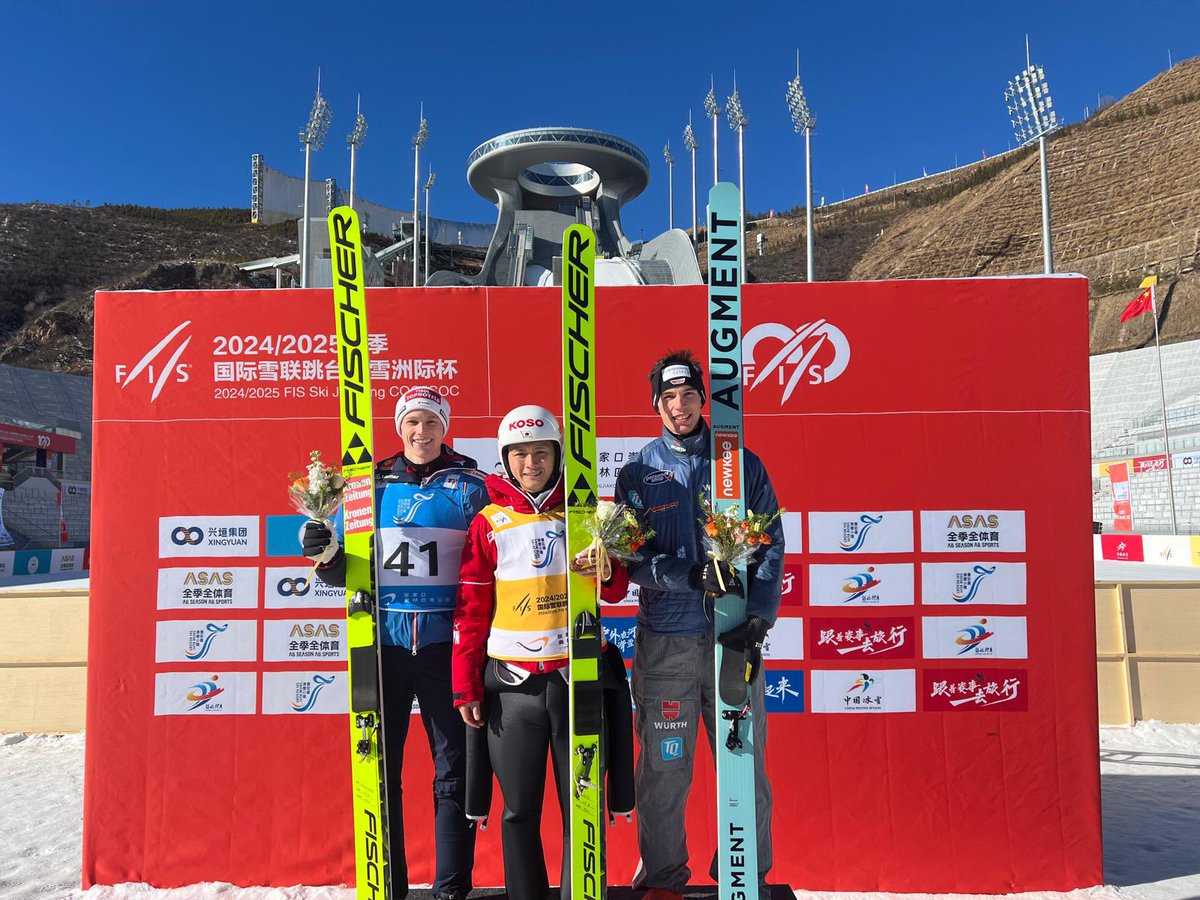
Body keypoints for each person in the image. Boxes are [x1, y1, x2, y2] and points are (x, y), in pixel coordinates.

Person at [301, 386, 486, 900]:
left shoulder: (472, 485)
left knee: (453, 769)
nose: (421, 432)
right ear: (399, 426)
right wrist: (324, 554)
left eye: (431, 422)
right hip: (383, 646)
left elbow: (492, 559)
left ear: (444, 426)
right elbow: (343, 569)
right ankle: (387, 885)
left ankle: (451, 888)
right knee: (379, 769)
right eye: (412, 422)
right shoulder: (369, 484)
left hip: (445, 648)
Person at [614, 351, 784, 900]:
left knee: (744, 763)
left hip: (732, 638)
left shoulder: (740, 464)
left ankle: (746, 875)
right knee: (664, 767)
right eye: (669, 398)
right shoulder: (638, 473)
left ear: (703, 400)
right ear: (656, 405)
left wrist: (757, 618)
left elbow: (771, 547)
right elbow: (630, 559)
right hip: (667, 642)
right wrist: (689, 575)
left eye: (689, 395)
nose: (680, 407)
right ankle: (663, 880)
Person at [452, 405, 632, 900]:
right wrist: (466, 686)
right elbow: (470, 611)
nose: (530, 463)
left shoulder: (586, 513)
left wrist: (607, 568)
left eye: (540, 453)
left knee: (583, 809)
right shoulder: (488, 522)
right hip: (514, 689)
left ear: (557, 455)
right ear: (505, 459)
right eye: (519, 454)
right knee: (518, 812)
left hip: (576, 682)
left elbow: (616, 590)